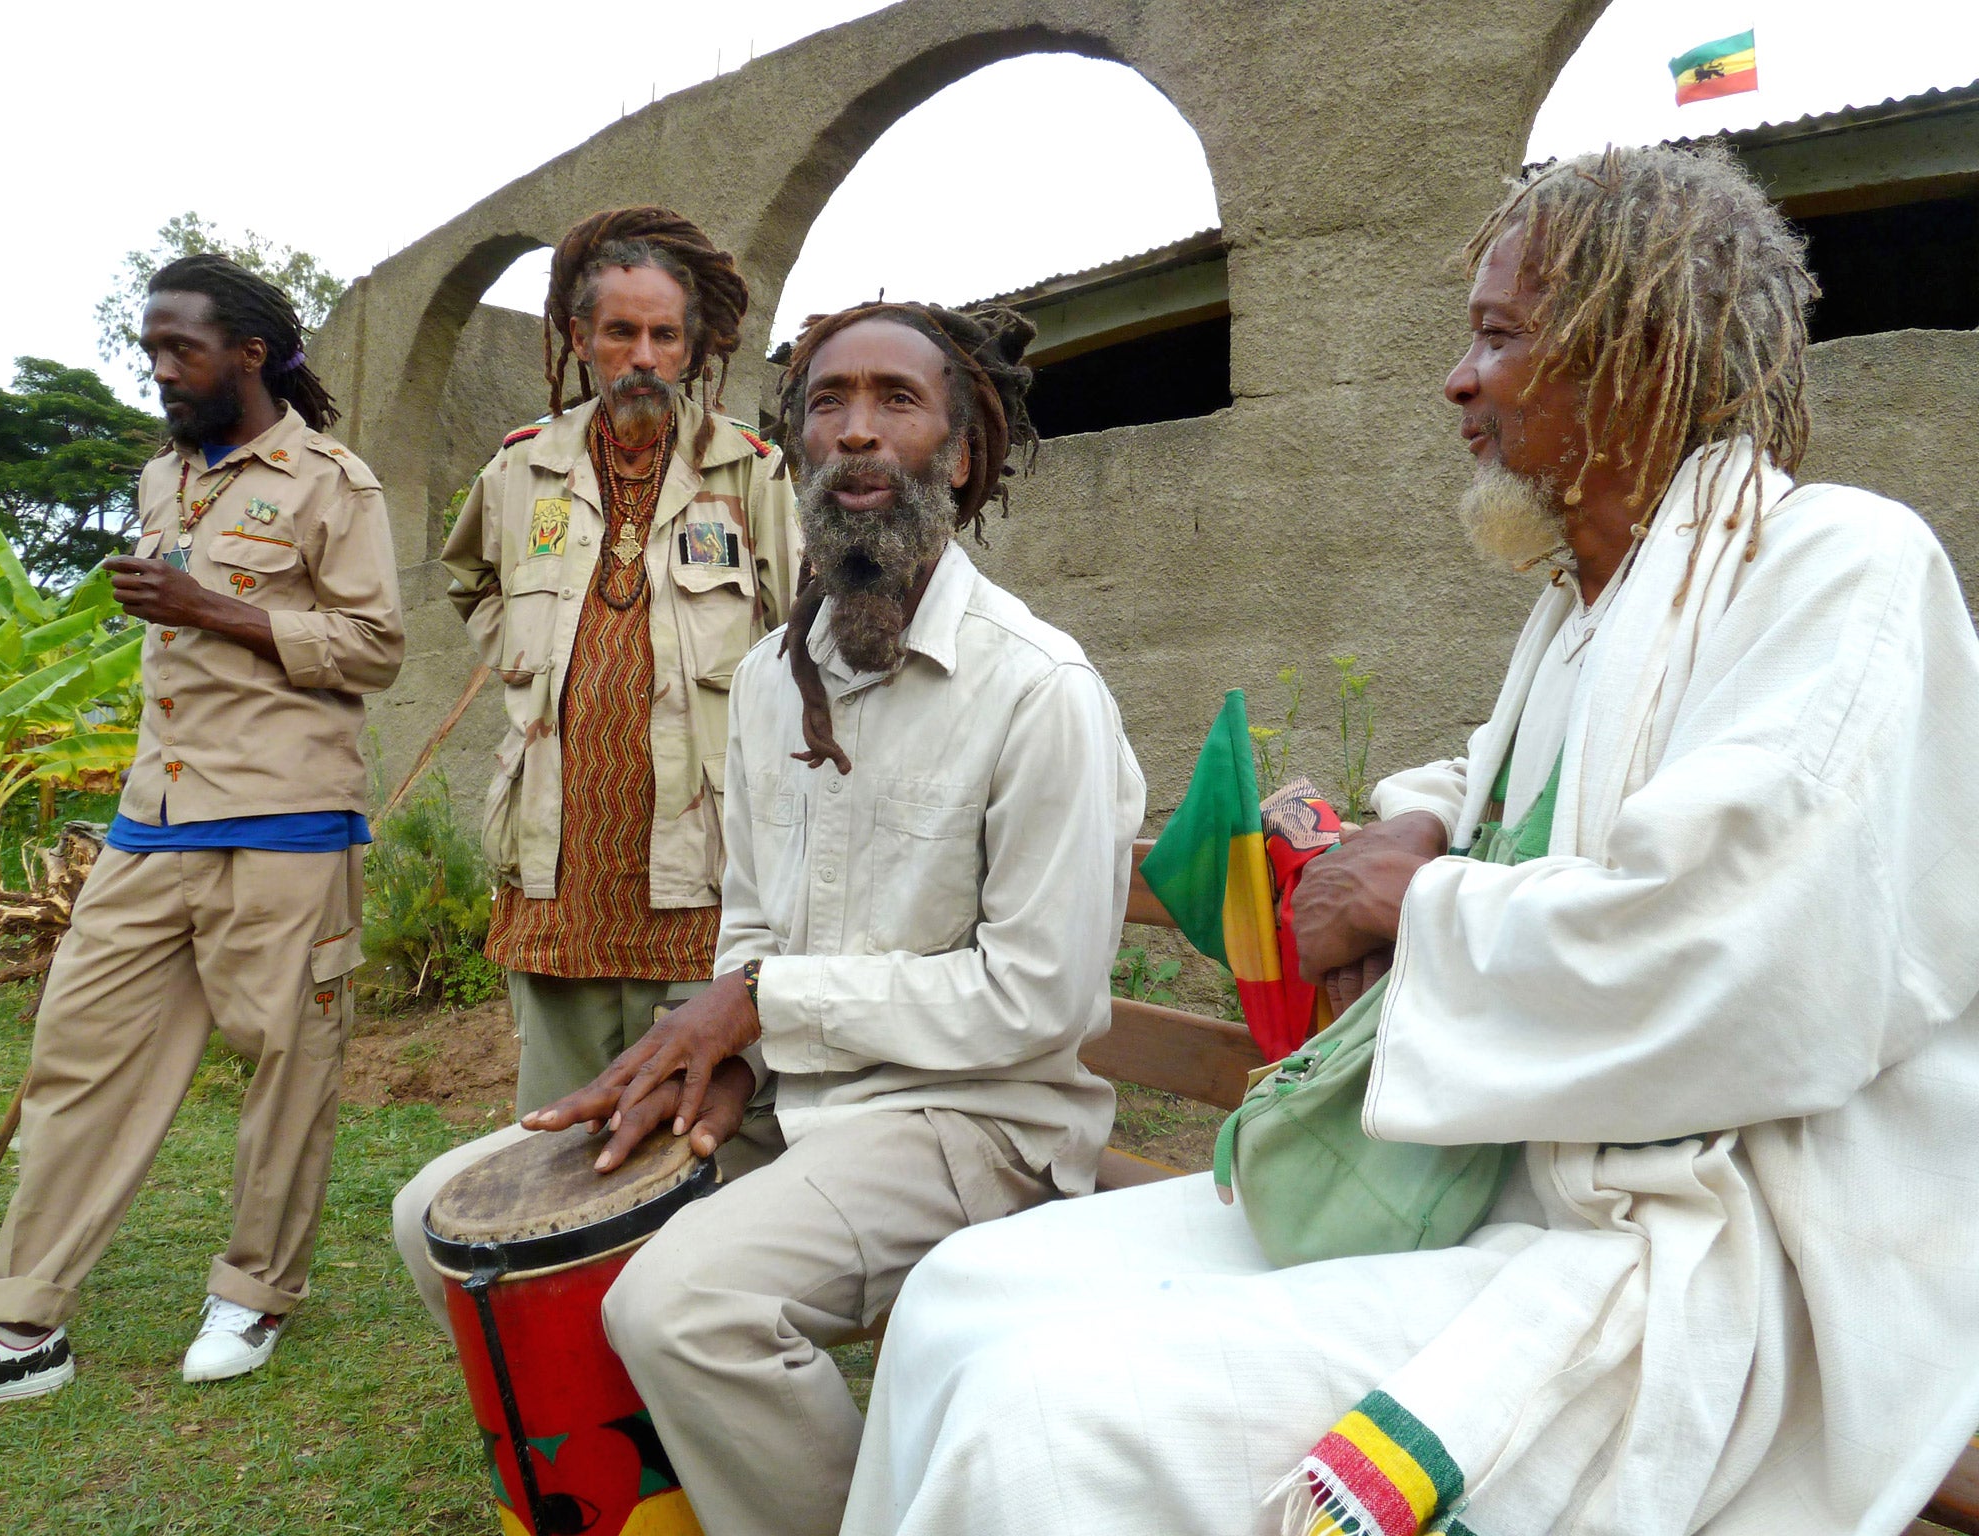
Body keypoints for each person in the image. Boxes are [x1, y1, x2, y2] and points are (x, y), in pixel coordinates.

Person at [841, 144, 1979, 1536]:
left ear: (1638, 354)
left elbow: (1739, 955)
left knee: (1045, 1428)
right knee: (964, 1293)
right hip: (1501, 1185)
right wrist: (1423, 813)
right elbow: (1531, 788)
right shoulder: (1587, 613)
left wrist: (1417, 898)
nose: (1458, 380)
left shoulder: (1840, 569)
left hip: (1671, 1246)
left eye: (1498, 337)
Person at [519, 300, 1146, 1536]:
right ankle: (663, 1502)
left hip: (980, 1125)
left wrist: (766, 1005)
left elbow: (1040, 1002)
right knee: (467, 1215)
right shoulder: (767, 678)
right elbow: (753, 919)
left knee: (684, 1309)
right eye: (825, 403)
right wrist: (731, 1046)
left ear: (961, 456)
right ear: (793, 447)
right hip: (797, 1095)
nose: (856, 433)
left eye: (896, 403)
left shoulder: (1038, 691)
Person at [0, 255, 404, 1418]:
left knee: (287, 1066)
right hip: (151, 824)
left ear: (248, 352)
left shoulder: (330, 482)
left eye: (179, 348)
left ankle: (253, 1290)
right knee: (77, 1050)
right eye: (149, 349)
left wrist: (217, 611)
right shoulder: (162, 478)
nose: (159, 370)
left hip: (286, 824)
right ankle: (18, 1322)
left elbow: (376, 645)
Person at [390, 208, 799, 1327]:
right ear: (578, 336)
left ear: (696, 345)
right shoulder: (521, 470)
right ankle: (563, 1348)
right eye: (619, 334)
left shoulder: (749, 474)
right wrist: (525, 659)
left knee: (696, 1138)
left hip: (701, 872)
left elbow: (805, 628)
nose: (644, 360)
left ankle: (681, 1341)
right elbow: (472, 578)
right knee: (565, 1135)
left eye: (665, 337)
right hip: (556, 867)